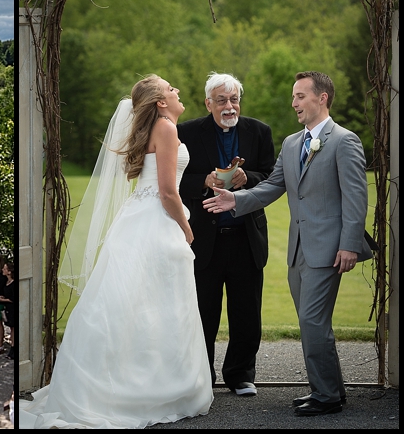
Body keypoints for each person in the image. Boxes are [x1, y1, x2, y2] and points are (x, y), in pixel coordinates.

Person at [21, 75, 212, 428]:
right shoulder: (167, 128)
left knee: (133, 304)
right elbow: (169, 193)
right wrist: (187, 230)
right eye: (171, 89)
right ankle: (153, 386)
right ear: (160, 102)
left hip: (137, 219)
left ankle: (132, 380)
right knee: (158, 303)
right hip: (156, 222)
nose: (177, 92)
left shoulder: (156, 127)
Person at [204, 71, 373, 416]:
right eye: (293, 96)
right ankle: (330, 389)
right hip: (298, 250)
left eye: (300, 96)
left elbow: (356, 198)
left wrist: (350, 245)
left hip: (329, 248)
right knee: (312, 323)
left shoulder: (345, 140)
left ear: (322, 98)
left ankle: (326, 397)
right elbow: (272, 186)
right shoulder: (293, 143)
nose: (293, 102)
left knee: (312, 322)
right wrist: (235, 201)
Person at [177, 73, 275, 396]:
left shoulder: (259, 132)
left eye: (234, 99)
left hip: (246, 236)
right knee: (203, 311)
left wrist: (249, 177)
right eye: (221, 100)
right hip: (205, 238)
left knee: (247, 311)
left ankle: (241, 374)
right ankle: (202, 377)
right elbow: (174, 179)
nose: (229, 106)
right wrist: (204, 181)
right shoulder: (186, 132)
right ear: (208, 103)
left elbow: (271, 176)